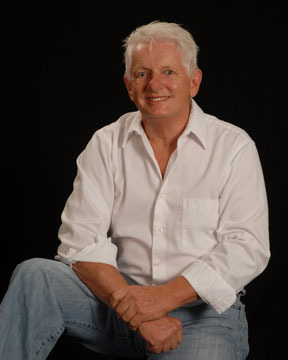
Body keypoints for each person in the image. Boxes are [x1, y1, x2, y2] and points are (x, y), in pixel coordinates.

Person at [0, 21, 270, 359]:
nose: (155, 84)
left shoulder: (233, 147)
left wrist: (161, 300)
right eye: (142, 74)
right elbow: (79, 244)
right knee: (34, 276)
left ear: (195, 81)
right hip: (116, 303)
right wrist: (138, 310)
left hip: (204, 316)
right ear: (129, 86)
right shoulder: (106, 143)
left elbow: (247, 247)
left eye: (169, 71)